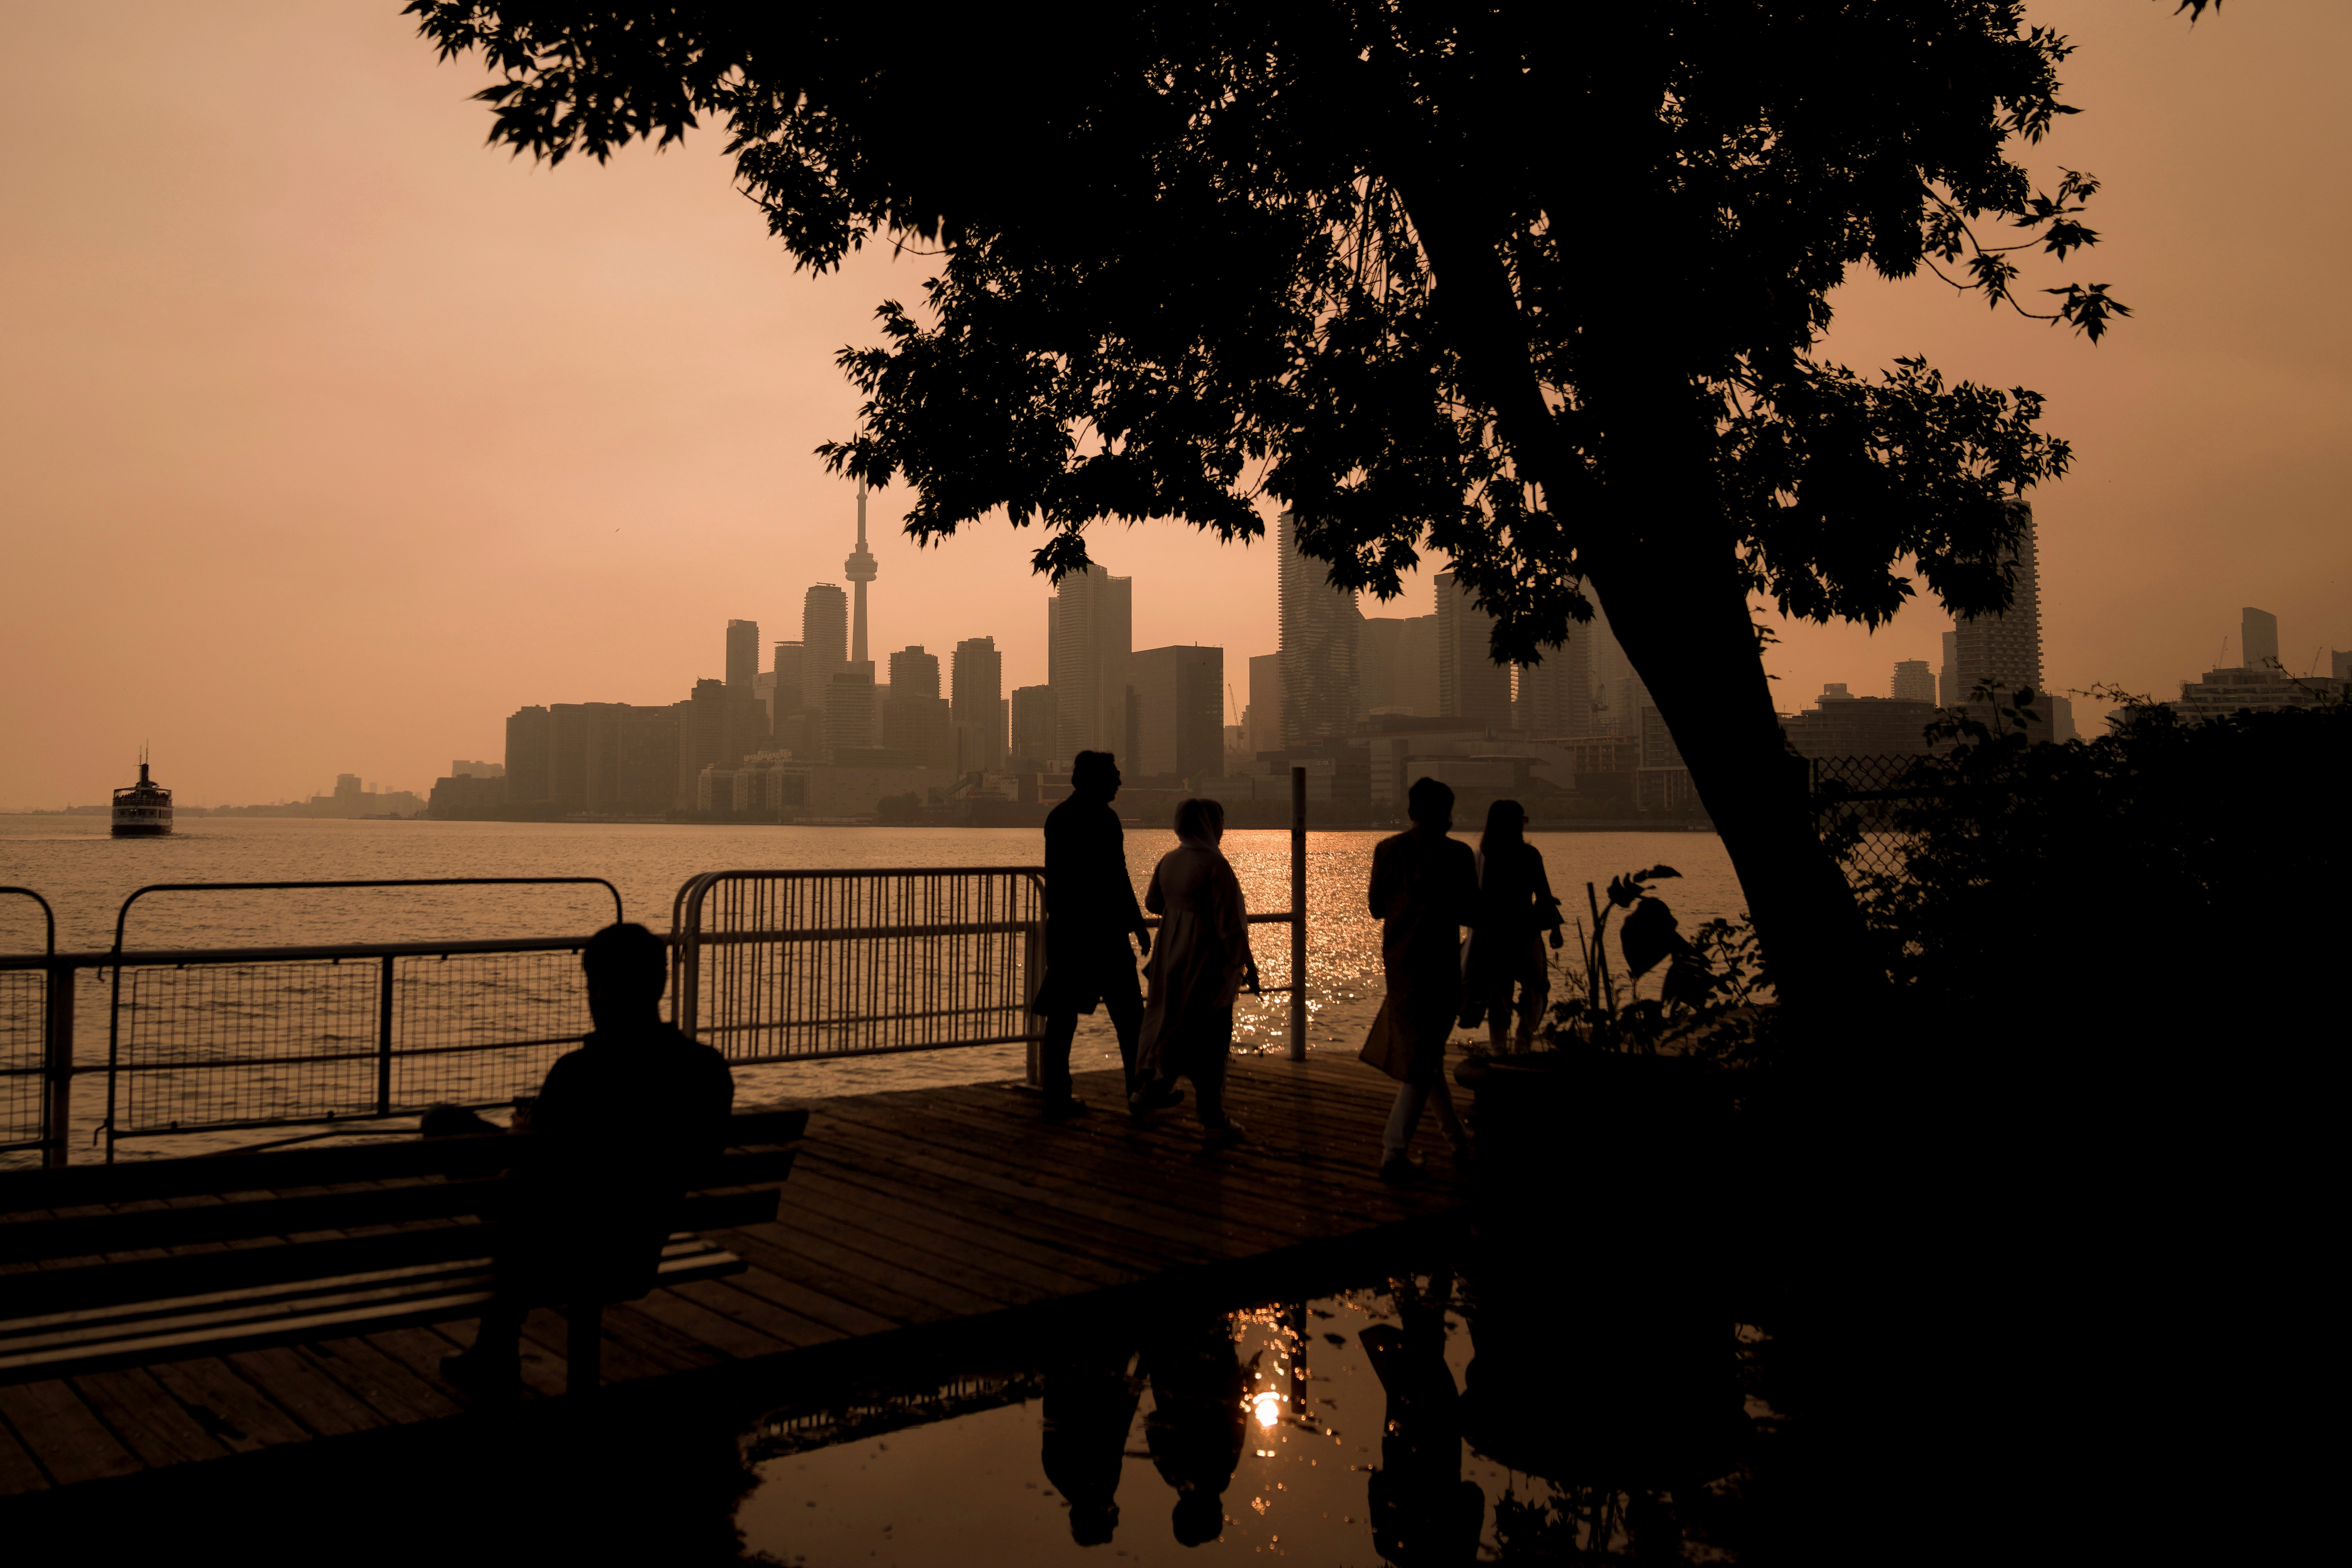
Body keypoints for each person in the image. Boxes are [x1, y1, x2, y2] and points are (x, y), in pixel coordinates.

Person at [444, 922, 734, 1392]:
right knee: (537, 1192)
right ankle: (494, 1348)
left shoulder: (578, 1073)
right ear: (659, 983)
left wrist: (524, 1138)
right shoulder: (708, 1068)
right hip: (637, 1249)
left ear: (598, 987)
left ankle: (496, 1350)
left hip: (563, 1250)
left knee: (449, 1127)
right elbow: (702, 1154)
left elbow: (531, 1173)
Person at [1362, 776, 1478, 1183]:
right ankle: (1393, 1151)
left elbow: (1377, 907)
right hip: (1440, 965)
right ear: (1447, 812)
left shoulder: (1388, 850)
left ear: (1410, 812)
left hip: (1400, 963)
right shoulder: (1458, 855)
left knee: (1425, 1058)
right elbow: (1472, 914)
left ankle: (1458, 1143)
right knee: (1424, 1058)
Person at [1033, 750, 1154, 1121]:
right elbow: (1116, 878)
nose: (1119, 781)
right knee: (1130, 1018)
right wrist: (1136, 924)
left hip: (1068, 931)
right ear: (1097, 780)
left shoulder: (1058, 818)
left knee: (1062, 1019)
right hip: (1104, 934)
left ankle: (1056, 1095)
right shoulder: (1104, 819)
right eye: (1114, 775)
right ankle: (1138, 1092)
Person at [1133, 797, 1259, 1143]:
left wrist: (1180, 911)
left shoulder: (1169, 861)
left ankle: (1151, 1089)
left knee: (1172, 1024)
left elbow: (1153, 903)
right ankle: (1211, 1116)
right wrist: (1244, 965)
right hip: (1206, 959)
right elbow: (1230, 925)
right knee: (1211, 1037)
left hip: (1170, 955)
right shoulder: (1215, 866)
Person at [1462, 799, 1566, 1053]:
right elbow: (1543, 894)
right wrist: (1555, 929)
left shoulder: (1480, 856)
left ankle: (1498, 1047)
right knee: (1536, 989)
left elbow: (1471, 900)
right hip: (1525, 931)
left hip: (1491, 935)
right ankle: (1523, 1040)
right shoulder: (1529, 855)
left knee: (1499, 993)